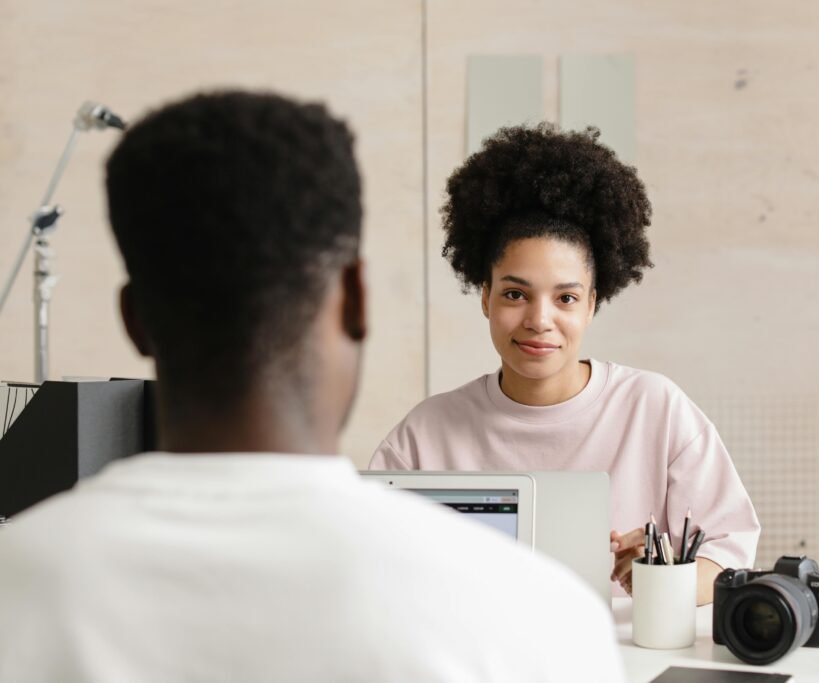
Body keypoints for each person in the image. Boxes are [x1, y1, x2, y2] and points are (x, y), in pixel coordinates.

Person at [0, 92, 624, 682]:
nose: (540, 318)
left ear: (134, 320)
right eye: (515, 293)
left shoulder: (16, 582)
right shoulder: (542, 619)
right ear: (355, 300)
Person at [370, 124, 760, 603]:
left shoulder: (655, 408)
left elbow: (729, 557)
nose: (539, 320)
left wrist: (664, 577)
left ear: (592, 303)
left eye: (566, 298)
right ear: (485, 296)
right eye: (515, 294)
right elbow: (373, 567)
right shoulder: (424, 435)